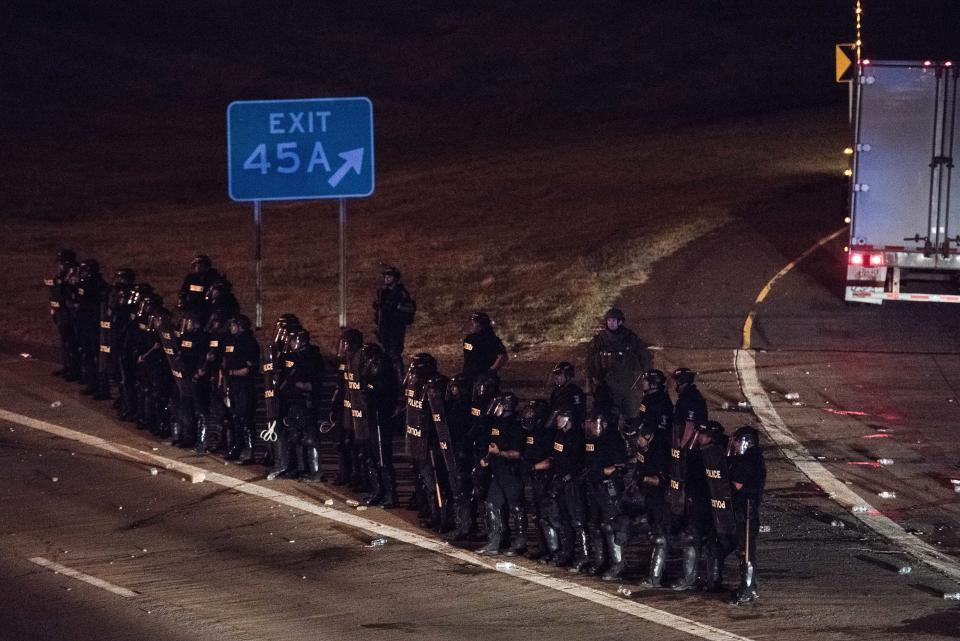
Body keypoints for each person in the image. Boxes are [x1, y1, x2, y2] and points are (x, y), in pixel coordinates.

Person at [668, 368, 710, 591]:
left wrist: (682, 450)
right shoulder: (688, 397)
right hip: (685, 459)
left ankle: (691, 577)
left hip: (690, 459)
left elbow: (690, 427)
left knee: (692, 532)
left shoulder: (691, 399)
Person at [631, 369, 674, 588]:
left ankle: (656, 577)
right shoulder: (650, 401)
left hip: (657, 485)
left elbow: (662, 479)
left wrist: (645, 478)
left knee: (659, 532)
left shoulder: (659, 403)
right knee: (653, 529)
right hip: (648, 483)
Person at [268, 328, 324, 480]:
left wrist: (303, 386)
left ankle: (315, 471)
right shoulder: (292, 356)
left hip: (306, 401)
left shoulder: (312, 356)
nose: (290, 343)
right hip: (292, 400)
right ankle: (301, 469)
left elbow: (316, 380)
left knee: (309, 437)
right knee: (296, 436)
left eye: (292, 341)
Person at [582, 409, 630, 581]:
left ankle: (618, 564)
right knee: (594, 524)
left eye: (594, 424)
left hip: (608, 487)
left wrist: (602, 472)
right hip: (594, 486)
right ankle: (600, 561)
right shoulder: (591, 440)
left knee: (611, 526)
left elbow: (619, 467)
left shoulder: (613, 439)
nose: (591, 428)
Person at [477, 392, 526, 556]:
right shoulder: (495, 423)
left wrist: (500, 454)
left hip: (511, 473)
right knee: (492, 504)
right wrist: (488, 458)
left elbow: (518, 453)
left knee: (516, 508)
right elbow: (492, 445)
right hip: (497, 471)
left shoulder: (516, 426)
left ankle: (520, 542)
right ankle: (495, 541)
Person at [585, 308, 652, 419]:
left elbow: (643, 355)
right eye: (609, 320)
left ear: (620, 322)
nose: (611, 323)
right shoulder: (599, 340)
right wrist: (589, 381)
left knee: (628, 412)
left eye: (614, 320)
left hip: (625, 383)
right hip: (604, 382)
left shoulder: (630, 337)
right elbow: (590, 360)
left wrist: (644, 375)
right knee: (603, 412)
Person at [404, 353, 442, 530]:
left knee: (431, 480)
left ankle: (437, 515)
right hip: (415, 439)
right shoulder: (415, 384)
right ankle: (425, 507)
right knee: (420, 476)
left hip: (429, 443)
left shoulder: (435, 387)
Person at [728, 426, 766, 605]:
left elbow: (737, 484)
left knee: (746, 551)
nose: (734, 445)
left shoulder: (747, 461)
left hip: (746, 511)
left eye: (737, 441)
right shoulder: (755, 458)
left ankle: (746, 589)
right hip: (748, 510)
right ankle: (750, 586)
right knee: (746, 550)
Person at [359, 342, 400, 506]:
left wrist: (370, 390)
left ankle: (390, 494)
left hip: (381, 416)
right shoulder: (374, 370)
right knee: (373, 454)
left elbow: (379, 392)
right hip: (373, 414)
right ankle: (378, 490)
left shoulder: (382, 367)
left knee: (383, 455)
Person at [518, 399, 555, 560]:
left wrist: (533, 467)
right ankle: (542, 547)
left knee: (547, 515)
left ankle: (552, 550)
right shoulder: (530, 433)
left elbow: (551, 460)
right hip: (534, 478)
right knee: (536, 515)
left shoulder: (546, 434)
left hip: (544, 478)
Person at [222, 315, 260, 464]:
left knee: (246, 418)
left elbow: (249, 369)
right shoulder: (230, 341)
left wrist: (231, 372)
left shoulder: (249, 342)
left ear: (241, 326)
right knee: (235, 417)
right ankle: (237, 447)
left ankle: (250, 451)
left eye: (234, 325)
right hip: (232, 384)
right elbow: (225, 360)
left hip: (245, 385)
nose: (231, 328)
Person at [373, 265, 415, 381]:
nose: (386, 278)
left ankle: (400, 379)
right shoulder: (383, 292)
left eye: (389, 276)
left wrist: (397, 307)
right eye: (385, 276)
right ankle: (389, 378)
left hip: (396, 328)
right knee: (386, 354)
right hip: (385, 327)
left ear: (395, 278)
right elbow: (380, 310)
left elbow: (409, 308)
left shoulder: (400, 292)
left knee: (395, 354)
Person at [76, 259, 108, 396]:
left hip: (94, 326)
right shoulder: (85, 283)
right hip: (86, 324)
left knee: (97, 356)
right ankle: (91, 382)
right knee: (87, 353)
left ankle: (100, 386)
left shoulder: (98, 285)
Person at [48, 249, 80, 380]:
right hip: (61, 312)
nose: (59, 266)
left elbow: (71, 292)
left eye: (61, 263)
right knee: (65, 341)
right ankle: (67, 366)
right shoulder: (62, 274)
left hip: (70, 313)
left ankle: (75, 369)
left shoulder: (75, 273)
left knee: (73, 342)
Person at [178, 254, 226, 323]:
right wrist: (181, 300)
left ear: (207, 266)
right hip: (191, 309)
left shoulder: (213, 278)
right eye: (196, 265)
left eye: (200, 265)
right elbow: (183, 291)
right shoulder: (191, 278)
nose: (198, 267)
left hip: (206, 310)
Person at [462, 312, 508, 382]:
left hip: (483, 377)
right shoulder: (470, 339)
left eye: (475, 322)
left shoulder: (492, 340)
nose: (473, 325)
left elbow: (503, 357)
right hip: (468, 375)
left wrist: (491, 371)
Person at [549, 361, 586, 426]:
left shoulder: (575, 391)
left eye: (559, 374)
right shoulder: (555, 392)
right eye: (556, 375)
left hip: (571, 428)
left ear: (567, 376)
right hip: (557, 427)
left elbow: (579, 413)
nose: (556, 377)